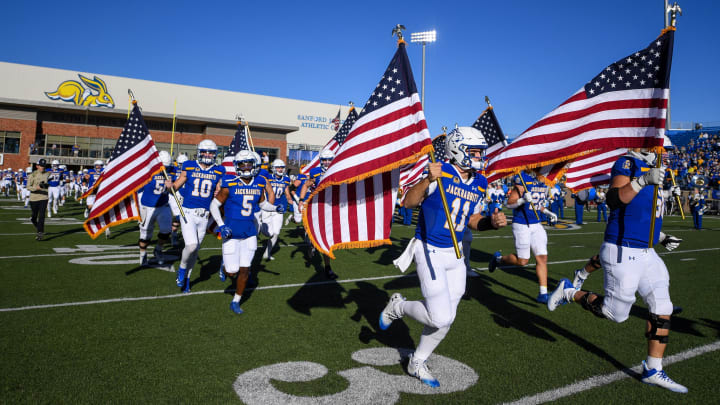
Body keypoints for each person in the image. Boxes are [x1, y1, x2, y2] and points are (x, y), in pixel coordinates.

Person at [547, 149, 688, 393]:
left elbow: (643, 213)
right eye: (663, 147)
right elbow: (614, 201)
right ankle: (570, 292)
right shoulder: (627, 163)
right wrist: (643, 180)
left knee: (662, 308)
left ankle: (653, 369)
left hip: (647, 251)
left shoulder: (654, 169)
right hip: (622, 248)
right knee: (616, 314)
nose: (664, 152)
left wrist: (661, 236)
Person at [379, 127, 507, 388]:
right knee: (439, 317)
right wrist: (427, 179)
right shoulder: (440, 171)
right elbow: (407, 202)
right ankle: (399, 306)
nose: (479, 156)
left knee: (447, 318)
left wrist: (491, 223)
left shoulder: (480, 181)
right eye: (474, 151)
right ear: (457, 149)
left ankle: (417, 361)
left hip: (456, 253)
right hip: (430, 248)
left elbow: (471, 219)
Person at [210, 150, 282, 314]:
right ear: (237, 166)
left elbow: (263, 204)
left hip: (249, 232)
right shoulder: (230, 183)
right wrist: (221, 225)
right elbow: (214, 205)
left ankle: (236, 300)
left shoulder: (259, 183)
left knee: (245, 270)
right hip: (231, 232)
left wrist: (275, 207)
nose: (246, 167)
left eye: (249, 163)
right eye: (242, 164)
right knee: (232, 271)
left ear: (254, 165)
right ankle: (224, 267)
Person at [489, 171, 557, 303]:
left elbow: (537, 203)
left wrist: (548, 212)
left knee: (542, 257)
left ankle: (543, 293)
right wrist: (522, 200)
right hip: (522, 224)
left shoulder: (544, 181)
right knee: (523, 261)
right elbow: (509, 203)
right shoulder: (523, 179)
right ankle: (498, 259)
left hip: (536, 224)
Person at [169, 140, 225, 293]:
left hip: (205, 215)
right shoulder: (189, 166)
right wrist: (170, 186)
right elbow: (176, 186)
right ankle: (181, 270)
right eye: (205, 152)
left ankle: (187, 278)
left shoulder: (219, 170)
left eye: (211, 152)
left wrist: (218, 193)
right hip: (188, 212)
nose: (208, 155)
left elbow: (219, 190)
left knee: (195, 251)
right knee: (191, 245)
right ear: (199, 152)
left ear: (215, 154)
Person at [300, 149, 337, 279]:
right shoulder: (315, 172)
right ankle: (312, 242)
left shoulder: (338, 169)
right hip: (316, 206)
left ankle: (327, 266)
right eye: (324, 160)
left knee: (327, 238)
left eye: (329, 160)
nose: (327, 163)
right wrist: (301, 201)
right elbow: (305, 185)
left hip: (331, 207)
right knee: (317, 233)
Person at [138, 151, 174, 266]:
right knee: (145, 235)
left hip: (163, 205)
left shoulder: (172, 171)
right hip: (147, 206)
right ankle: (142, 254)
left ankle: (158, 249)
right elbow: (138, 190)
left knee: (166, 230)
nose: (165, 169)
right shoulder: (147, 171)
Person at [260, 159, 290, 261]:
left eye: (282, 167)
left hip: (278, 209)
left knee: (276, 233)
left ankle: (267, 253)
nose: (280, 169)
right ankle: (259, 225)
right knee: (268, 233)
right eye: (278, 167)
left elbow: (287, 193)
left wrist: (293, 202)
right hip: (267, 208)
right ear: (273, 168)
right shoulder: (268, 177)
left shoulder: (286, 179)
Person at [26, 159, 50, 240]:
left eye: (44, 166)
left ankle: (40, 233)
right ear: (37, 166)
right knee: (34, 216)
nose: (43, 167)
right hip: (34, 198)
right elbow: (28, 187)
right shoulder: (32, 175)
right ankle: (34, 222)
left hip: (44, 197)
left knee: (42, 215)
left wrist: (47, 185)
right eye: (41, 166)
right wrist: (37, 188)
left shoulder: (47, 174)